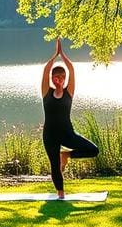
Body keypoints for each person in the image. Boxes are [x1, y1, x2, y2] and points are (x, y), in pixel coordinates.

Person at [41, 38, 99, 199]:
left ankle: (65, 155)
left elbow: (71, 69)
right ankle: (60, 195)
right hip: (50, 135)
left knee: (93, 150)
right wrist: (54, 56)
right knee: (54, 165)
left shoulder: (69, 92)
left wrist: (62, 55)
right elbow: (46, 71)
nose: (59, 78)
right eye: (56, 75)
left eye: (62, 75)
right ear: (52, 78)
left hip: (68, 133)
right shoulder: (46, 92)